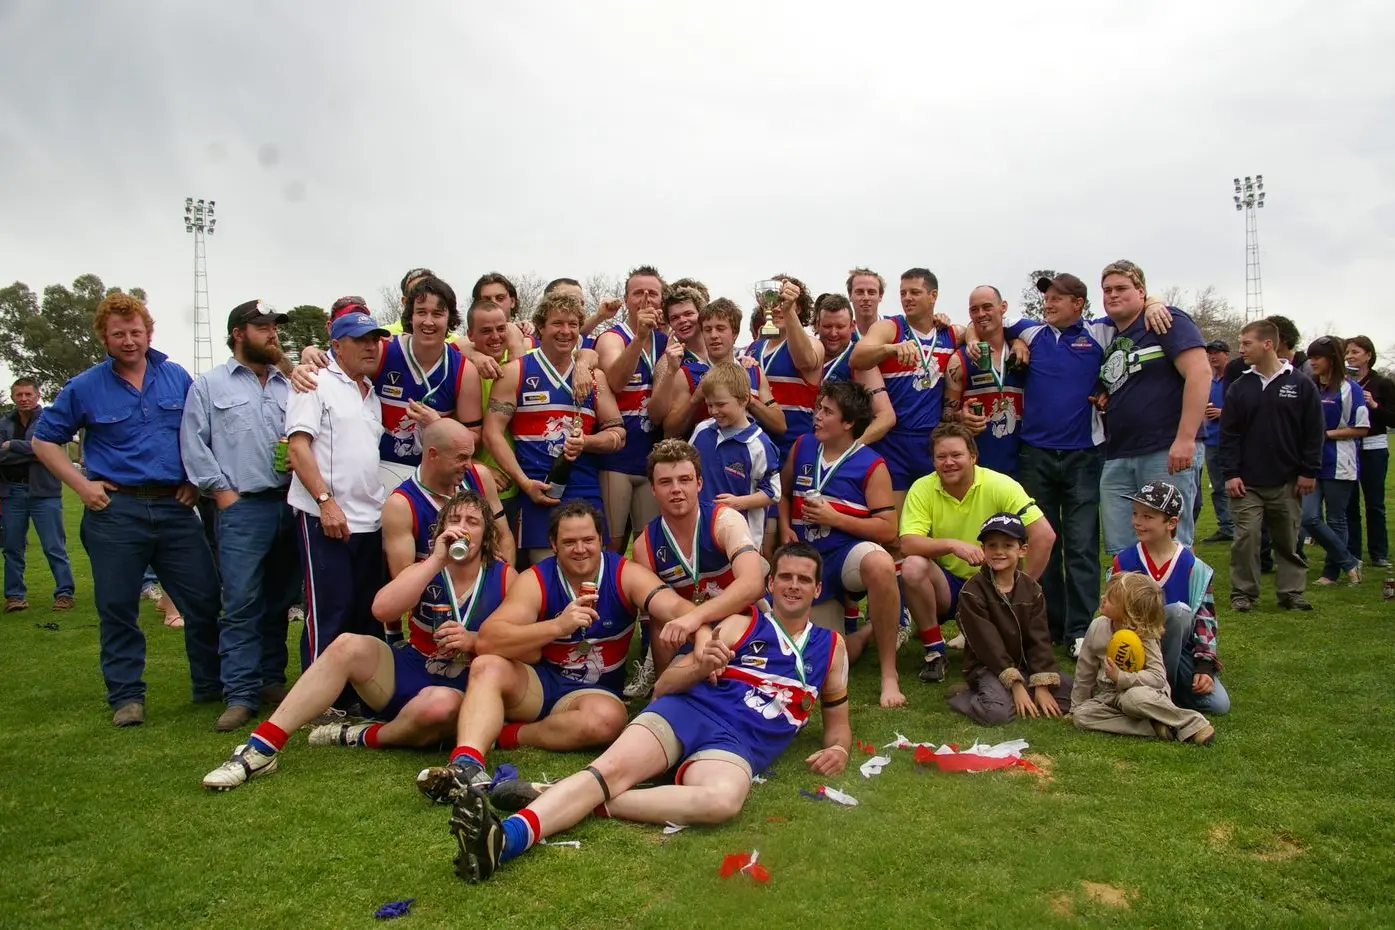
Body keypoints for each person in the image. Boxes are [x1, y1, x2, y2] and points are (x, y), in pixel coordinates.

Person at [450, 541, 851, 884]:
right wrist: (699, 665)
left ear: (817, 589)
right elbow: (663, 687)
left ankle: (565, 795)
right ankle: (506, 839)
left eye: (803, 580)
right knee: (608, 772)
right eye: (785, 577)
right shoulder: (737, 625)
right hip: (686, 712)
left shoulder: (832, 649)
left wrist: (841, 750)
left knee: (722, 803)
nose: (793, 586)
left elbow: (838, 727)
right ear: (771, 583)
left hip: (738, 745)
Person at [202, 490, 512, 790]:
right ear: (442, 528)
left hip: (463, 685)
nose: (462, 527)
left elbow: (522, 646)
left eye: (473, 522)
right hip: (415, 666)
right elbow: (381, 609)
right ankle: (261, 747)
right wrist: (435, 561)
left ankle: (360, 734)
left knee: (439, 706)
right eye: (454, 519)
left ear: (486, 534)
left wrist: (473, 640)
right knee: (347, 643)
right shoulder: (425, 567)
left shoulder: (505, 576)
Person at [414, 501, 696, 801]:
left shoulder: (624, 573)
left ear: (601, 539)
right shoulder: (536, 578)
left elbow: (674, 606)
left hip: (593, 693)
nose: (580, 549)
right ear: (553, 545)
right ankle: (465, 765)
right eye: (569, 542)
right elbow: (488, 639)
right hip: (542, 681)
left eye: (588, 540)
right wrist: (558, 627)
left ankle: (507, 734)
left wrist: (701, 627)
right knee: (487, 665)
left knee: (607, 721)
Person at [31, 294, 221, 727]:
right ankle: (127, 697)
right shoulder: (84, 386)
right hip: (116, 511)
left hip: (175, 508)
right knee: (117, 607)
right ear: (104, 337)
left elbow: (199, 433)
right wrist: (81, 485)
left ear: (148, 331)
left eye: (136, 332)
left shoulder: (176, 377)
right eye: (119, 334)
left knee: (205, 599)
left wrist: (193, 479)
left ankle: (210, 684)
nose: (129, 341)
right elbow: (45, 440)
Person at [180, 300, 301, 731]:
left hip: (290, 503)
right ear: (239, 333)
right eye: (263, 327)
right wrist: (222, 492)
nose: (272, 334)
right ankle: (240, 692)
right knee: (241, 602)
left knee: (280, 599)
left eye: (274, 326)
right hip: (243, 507)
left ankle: (271, 680)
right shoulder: (210, 385)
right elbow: (193, 444)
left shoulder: (290, 383)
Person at [781, 380, 905, 707]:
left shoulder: (872, 464)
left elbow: (888, 530)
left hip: (844, 558)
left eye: (827, 411)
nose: (817, 416)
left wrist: (836, 519)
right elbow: (781, 493)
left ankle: (889, 674)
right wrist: (783, 528)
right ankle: (865, 633)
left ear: (849, 423)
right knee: (822, 660)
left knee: (880, 564)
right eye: (818, 408)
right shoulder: (803, 446)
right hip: (807, 565)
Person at [899, 423, 1055, 683]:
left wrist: (1021, 587)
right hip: (947, 586)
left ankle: (1001, 624)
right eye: (941, 457)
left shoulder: (999, 484)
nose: (948, 462)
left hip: (992, 585)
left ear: (973, 456)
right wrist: (953, 545)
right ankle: (935, 652)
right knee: (913, 566)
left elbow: (1044, 535)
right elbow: (907, 543)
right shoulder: (922, 488)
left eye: (956, 455)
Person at [286, 309, 392, 683]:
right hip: (326, 518)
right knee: (330, 609)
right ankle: (319, 696)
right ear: (336, 346)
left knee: (365, 612)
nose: (370, 347)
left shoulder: (371, 392)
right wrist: (325, 502)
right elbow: (297, 448)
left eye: (374, 339)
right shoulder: (314, 381)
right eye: (359, 340)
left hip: (369, 519)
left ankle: (363, 692)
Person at [482, 291, 625, 565]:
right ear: (541, 327)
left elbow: (618, 435)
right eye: (557, 323)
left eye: (573, 324)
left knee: (589, 569)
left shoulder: (594, 377)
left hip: (585, 488)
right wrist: (524, 483)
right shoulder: (517, 372)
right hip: (538, 489)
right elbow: (491, 433)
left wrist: (587, 442)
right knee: (544, 572)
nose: (566, 331)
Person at [296, 280, 483, 489]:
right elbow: (335, 364)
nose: (428, 321)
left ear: (450, 319)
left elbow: (474, 437)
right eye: (421, 312)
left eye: (437, 314)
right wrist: (306, 359)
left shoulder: (464, 371)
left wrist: (438, 426)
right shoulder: (384, 350)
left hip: (431, 477)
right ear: (410, 316)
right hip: (377, 471)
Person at [1096, 260, 1210, 552]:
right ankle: (1130, 600)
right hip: (1119, 452)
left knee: (1170, 544)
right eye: (1107, 289)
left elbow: (1200, 372)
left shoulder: (1164, 320)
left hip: (1164, 448)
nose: (1112, 295)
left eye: (1121, 288)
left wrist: (1185, 438)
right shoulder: (1111, 335)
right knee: (1122, 549)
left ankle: (1182, 600)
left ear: (1142, 291)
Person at [632, 439, 766, 677]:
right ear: (652, 489)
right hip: (687, 629)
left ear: (699, 483)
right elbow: (659, 614)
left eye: (685, 480)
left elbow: (753, 584)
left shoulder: (724, 520)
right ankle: (662, 680)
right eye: (665, 482)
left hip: (737, 618)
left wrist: (695, 618)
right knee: (663, 625)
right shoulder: (645, 544)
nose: (676, 489)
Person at [1219, 320, 1324, 612]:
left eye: (1246, 344)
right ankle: (1243, 593)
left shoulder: (1300, 384)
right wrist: (1231, 473)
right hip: (1247, 482)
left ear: (1268, 344)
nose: (1241, 350)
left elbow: (1314, 431)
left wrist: (1308, 471)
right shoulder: (1240, 386)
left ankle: (1290, 592)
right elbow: (1229, 435)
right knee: (1246, 538)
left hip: (1287, 480)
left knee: (1287, 540)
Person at [1110, 481, 1230, 715]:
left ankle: (1164, 689)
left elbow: (1206, 621)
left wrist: (1204, 666)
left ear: (1171, 523)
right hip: (1136, 651)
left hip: (1179, 651)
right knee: (1176, 612)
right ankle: (1159, 692)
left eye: (1147, 516)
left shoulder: (1194, 567)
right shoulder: (1123, 561)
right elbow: (1110, 612)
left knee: (1218, 705)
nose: (1137, 522)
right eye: (1135, 514)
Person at [850, 268, 961, 504]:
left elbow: (976, 332)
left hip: (931, 441)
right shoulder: (891, 328)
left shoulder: (949, 333)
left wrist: (975, 339)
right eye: (903, 293)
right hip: (892, 441)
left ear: (933, 295)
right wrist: (891, 348)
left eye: (914, 292)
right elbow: (857, 357)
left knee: (933, 520)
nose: (907, 298)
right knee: (894, 527)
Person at [949, 512, 1070, 725]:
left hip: (1024, 665)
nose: (999, 552)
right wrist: (1015, 684)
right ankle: (966, 697)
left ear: (1022, 550)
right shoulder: (972, 591)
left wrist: (1041, 684)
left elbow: (1039, 638)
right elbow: (987, 644)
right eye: (992, 546)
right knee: (997, 714)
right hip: (988, 666)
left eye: (1007, 545)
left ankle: (1022, 694)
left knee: (1074, 693)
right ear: (983, 550)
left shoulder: (1032, 589)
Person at [1069, 572, 1215, 744]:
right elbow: (1085, 670)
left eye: (1111, 598)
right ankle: (1154, 728)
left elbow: (1158, 678)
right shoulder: (1096, 626)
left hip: (1144, 693)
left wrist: (1121, 677)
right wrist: (1075, 707)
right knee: (1082, 716)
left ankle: (1193, 722)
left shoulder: (1145, 635)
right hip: (1109, 697)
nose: (1103, 598)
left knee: (1133, 699)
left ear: (1129, 611)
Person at [593, 266, 668, 553]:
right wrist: (639, 338)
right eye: (638, 293)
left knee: (648, 546)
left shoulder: (667, 341)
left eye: (653, 293)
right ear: (626, 299)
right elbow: (616, 381)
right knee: (611, 544)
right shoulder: (613, 338)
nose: (646, 299)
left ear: (662, 300)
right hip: (617, 460)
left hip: (652, 458)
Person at [687, 361, 782, 548]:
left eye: (721, 404)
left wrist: (739, 503)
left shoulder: (759, 444)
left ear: (744, 399)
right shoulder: (702, 431)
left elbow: (773, 493)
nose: (714, 411)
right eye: (709, 405)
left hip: (742, 539)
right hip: (701, 532)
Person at [1, 377, 76, 613]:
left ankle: (64, 593)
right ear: (13, 396)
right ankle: (15, 596)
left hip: (44, 493)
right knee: (12, 547)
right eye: (19, 395)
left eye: (28, 395)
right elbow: (38, 451)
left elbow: (49, 448)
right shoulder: (3, 422)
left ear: (37, 396)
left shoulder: (49, 419)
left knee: (54, 546)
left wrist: (12, 446)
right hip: (12, 491)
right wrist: (36, 450)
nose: (23, 399)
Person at [664, 297, 784, 439]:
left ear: (735, 333)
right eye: (708, 330)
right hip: (706, 457)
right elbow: (669, 432)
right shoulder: (687, 374)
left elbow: (780, 426)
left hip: (748, 456)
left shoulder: (753, 371)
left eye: (720, 329)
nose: (714, 335)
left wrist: (749, 400)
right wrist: (695, 400)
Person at [1302, 336, 1369, 586]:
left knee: (1336, 518)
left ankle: (1331, 572)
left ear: (1331, 360)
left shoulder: (1351, 389)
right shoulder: (1309, 386)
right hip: (1311, 461)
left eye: (1317, 357)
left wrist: (1326, 434)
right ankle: (1348, 561)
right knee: (1308, 517)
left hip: (1340, 460)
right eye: (1310, 357)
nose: (1312, 362)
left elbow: (1361, 427)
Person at [943, 286, 1027, 478]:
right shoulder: (960, 359)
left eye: (987, 307)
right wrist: (959, 417)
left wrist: (1018, 341)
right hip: (979, 462)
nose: (981, 314)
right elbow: (945, 414)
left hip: (1025, 460)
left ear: (1003, 307)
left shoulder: (1024, 351)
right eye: (974, 309)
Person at [465, 296, 525, 552]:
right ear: (470, 334)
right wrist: (476, 466)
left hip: (517, 489)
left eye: (501, 329)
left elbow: (585, 351)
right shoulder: (461, 370)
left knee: (510, 564)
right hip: (472, 487)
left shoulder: (521, 364)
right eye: (486, 331)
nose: (495, 336)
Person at [745, 275, 821, 463]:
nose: (778, 307)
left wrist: (789, 311)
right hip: (757, 448)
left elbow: (805, 361)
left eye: (784, 301)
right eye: (773, 301)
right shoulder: (753, 347)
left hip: (794, 450)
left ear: (798, 307)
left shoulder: (813, 343)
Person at [811, 295, 896, 443]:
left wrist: (852, 448)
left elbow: (886, 416)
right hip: (801, 443)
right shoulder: (807, 353)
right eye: (827, 326)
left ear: (852, 326)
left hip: (835, 449)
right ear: (817, 325)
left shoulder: (859, 360)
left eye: (840, 327)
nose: (833, 333)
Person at [1343, 335, 1393, 569]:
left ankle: (1379, 552)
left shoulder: (1382, 383)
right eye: (1347, 353)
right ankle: (1353, 552)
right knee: (1349, 503)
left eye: (1355, 352)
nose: (1350, 356)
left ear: (1368, 355)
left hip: (1374, 446)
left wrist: (1375, 406)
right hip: (1349, 447)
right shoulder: (1342, 383)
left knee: (1374, 503)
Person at [1198, 341, 1235, 543]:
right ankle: (1226, 527)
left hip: (1231, 439)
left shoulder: (1235, 379)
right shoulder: (1210, 381)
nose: (1213, 357)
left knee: (1235, 484)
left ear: (1226, 355)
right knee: (1218, 486)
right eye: (1209, 353)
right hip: (1211, 439)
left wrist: (1224, 413)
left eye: (1217, 353)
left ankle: (1240, 525)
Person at [846, 267, 887, 340]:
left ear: (880, 296)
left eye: (871, 292)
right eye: (859, 292)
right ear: (850, 295)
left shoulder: (899, 326)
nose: (866, 298)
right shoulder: (843, 335)